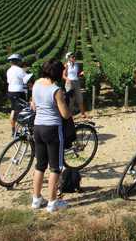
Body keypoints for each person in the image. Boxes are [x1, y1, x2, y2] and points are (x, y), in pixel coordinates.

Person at [31, 58, 71, 213]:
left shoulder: (36, 84)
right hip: (53, 129)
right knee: (55, 167)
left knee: (40, 165)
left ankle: (36, 199)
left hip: (38, 127)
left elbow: (34, 104)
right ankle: (53, 203)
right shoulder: (57, 90)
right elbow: (65, 114)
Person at [6, 54, 33, 136]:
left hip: (11, 91)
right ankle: (24, 130)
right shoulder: (19, 70)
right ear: (17, 61)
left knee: (13, 110)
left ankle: (13, 131)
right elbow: (26, 79)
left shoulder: (9, 70)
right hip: (19, 92)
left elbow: (8, 81)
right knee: (23, 111)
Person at [63, 52, 86, 118]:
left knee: (80, 98)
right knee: (70, 99)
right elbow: (63, 75)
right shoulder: (66, 65)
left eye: (74, 57)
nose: (74, 58)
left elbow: (77, 74)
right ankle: (69, 115)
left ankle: (83, 114)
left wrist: (80, 73)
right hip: (69, 83)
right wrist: (67, 79)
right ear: (69, 58)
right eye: (72, 57)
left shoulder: (76, 65)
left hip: (76, 82)